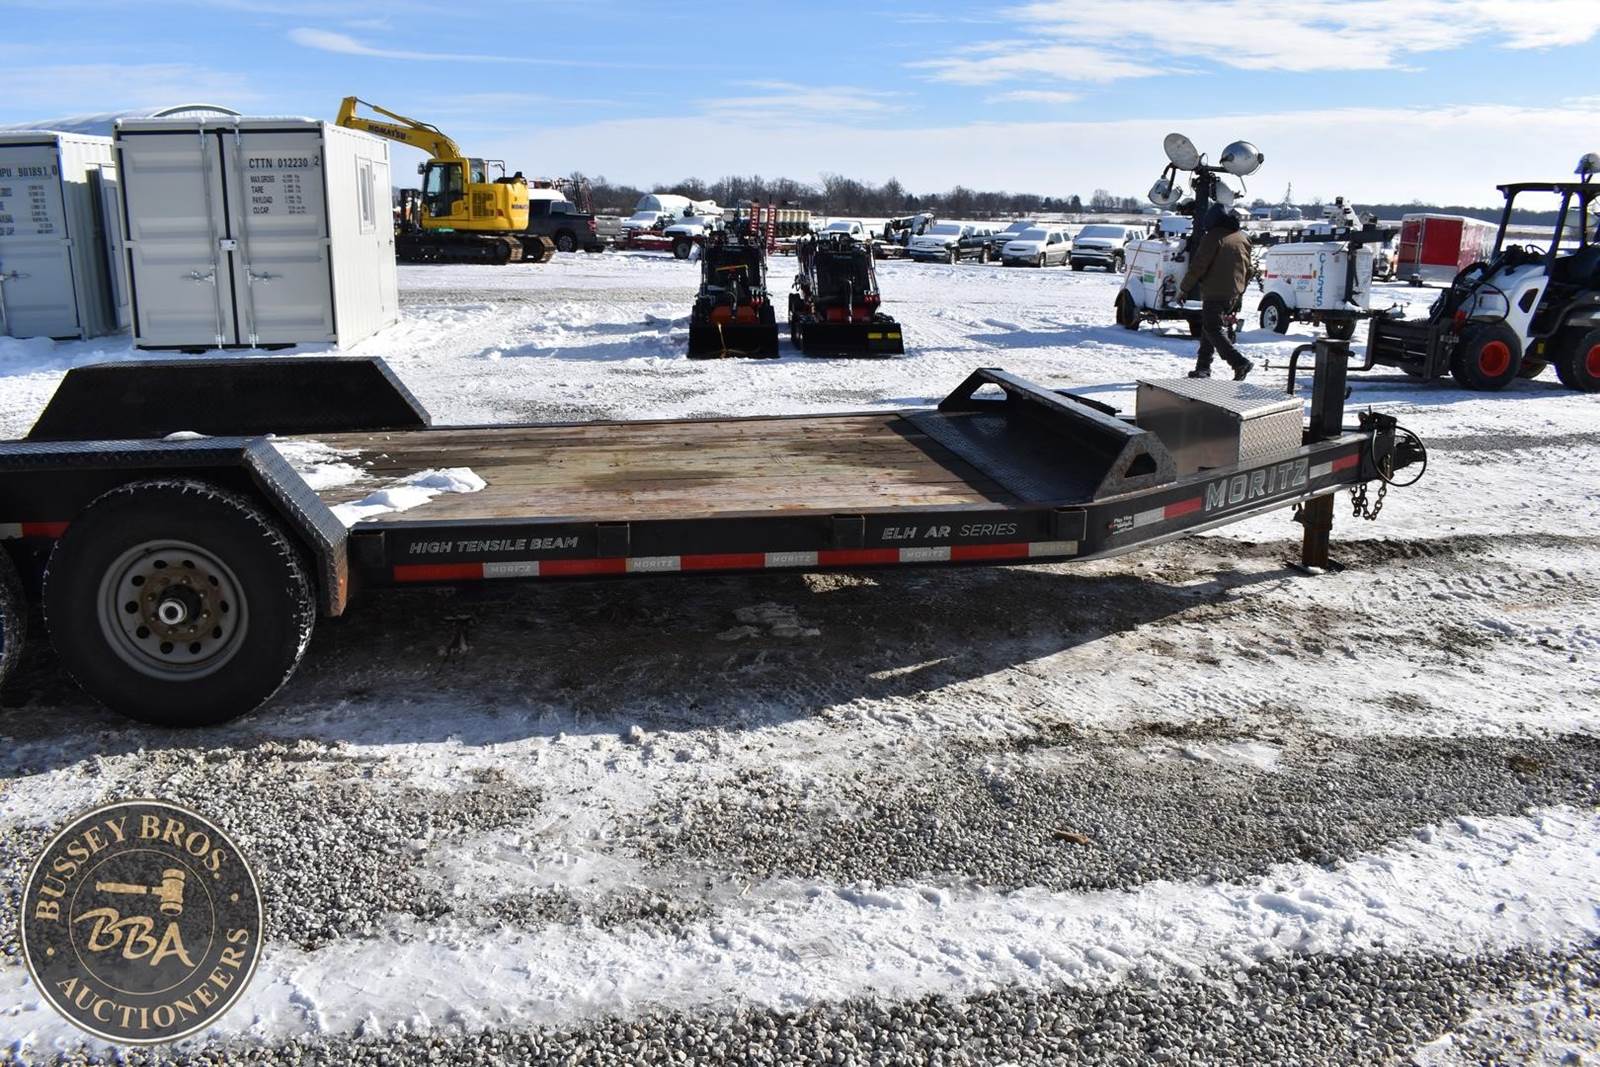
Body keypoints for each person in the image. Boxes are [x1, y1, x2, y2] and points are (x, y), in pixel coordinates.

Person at [1177, 203, 1253, 380]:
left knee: (1213, 328)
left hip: (1216, 291)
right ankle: (1203, 368)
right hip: (1234, 292)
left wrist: (1184, 289)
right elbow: (1249, 269)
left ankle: (1239, 362)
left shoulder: (1213, 237)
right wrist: (1240, 291)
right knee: (1208, 328)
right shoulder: (1242, 237)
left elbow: (1198, 266)